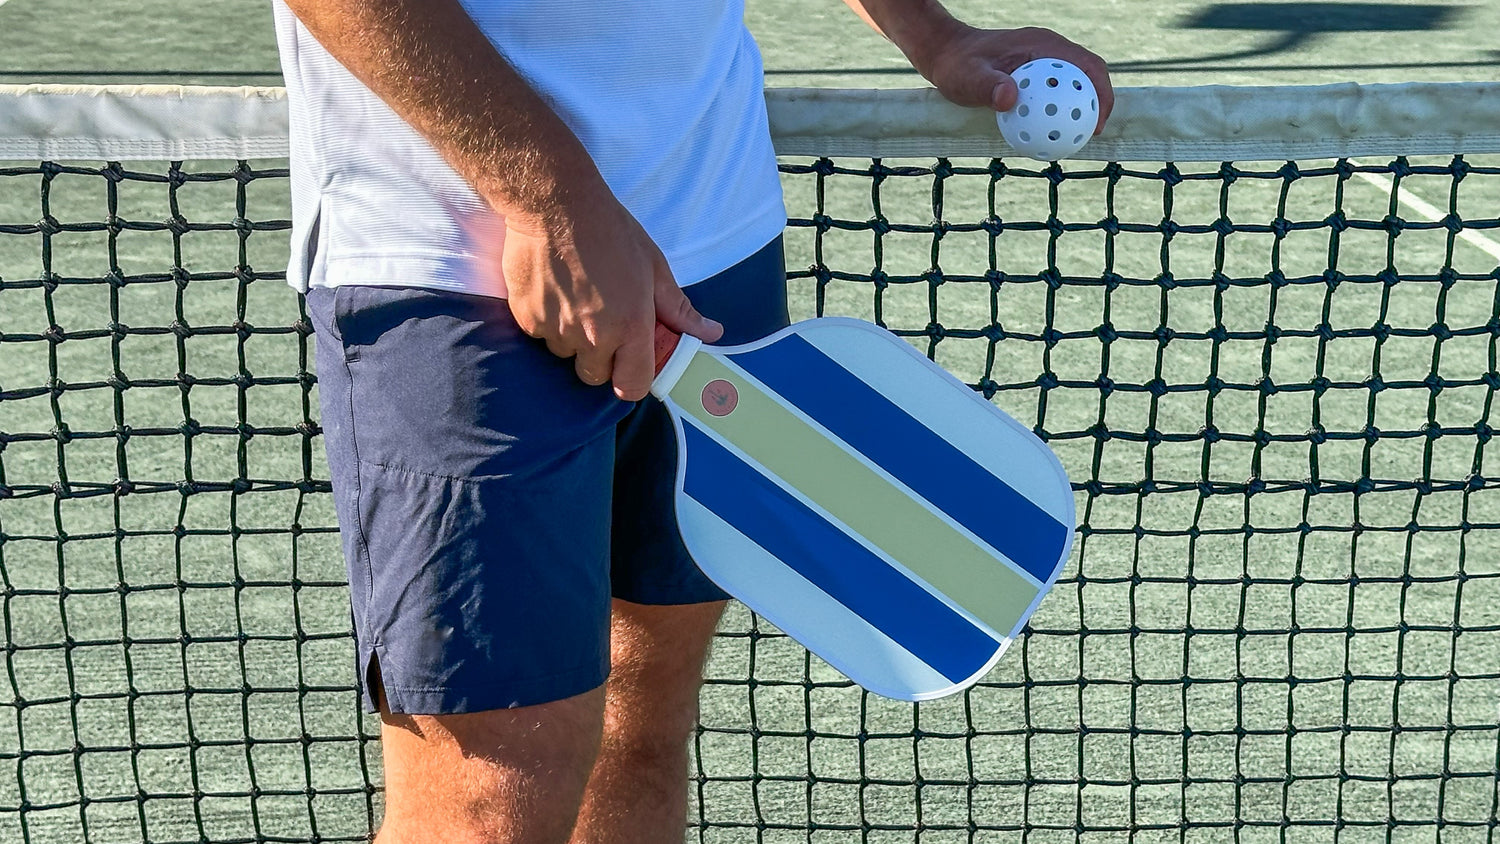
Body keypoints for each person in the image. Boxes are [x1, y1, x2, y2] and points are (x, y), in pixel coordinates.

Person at [270, 0, 1111, 841]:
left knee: (643, 729)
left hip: (714, 242)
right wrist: (545, 194)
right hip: (452, 266)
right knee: (497, 792)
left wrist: (935, 34)